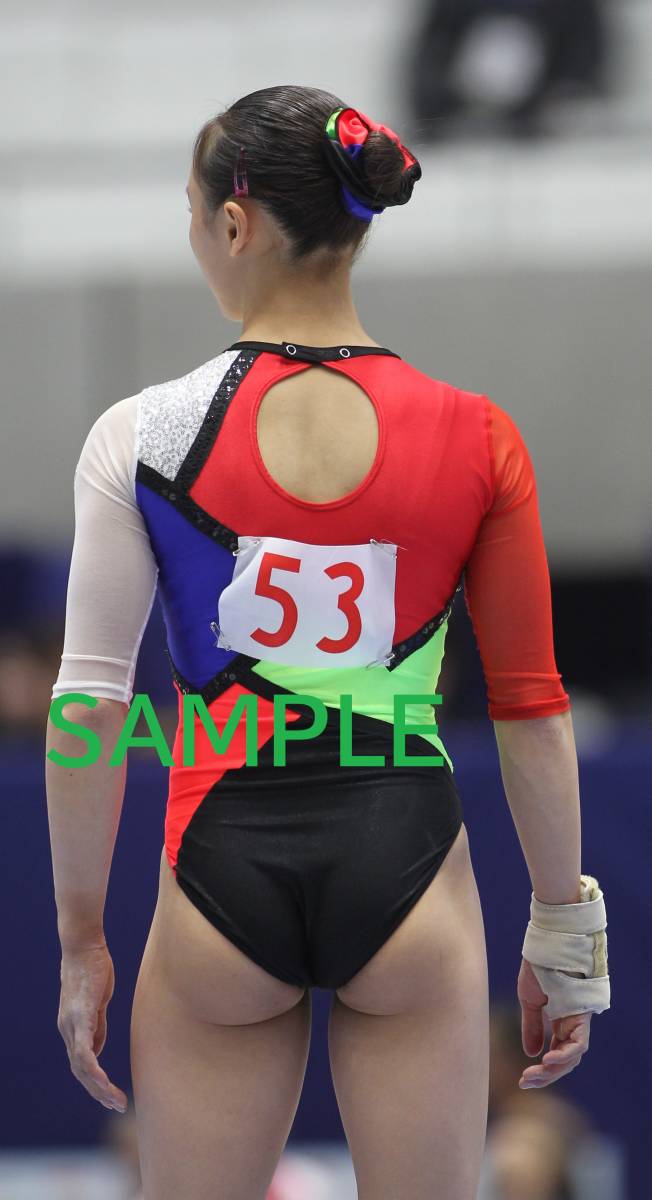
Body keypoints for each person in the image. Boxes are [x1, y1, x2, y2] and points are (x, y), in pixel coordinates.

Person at [46, 85, 610, 1200]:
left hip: (217, 872)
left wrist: (81, 938)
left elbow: (88, 707)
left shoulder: (141, 436)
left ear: (235, 223)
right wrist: (563, 933)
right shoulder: (478, 436)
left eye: (191, 213)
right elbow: (533, 707)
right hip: (408, 868)